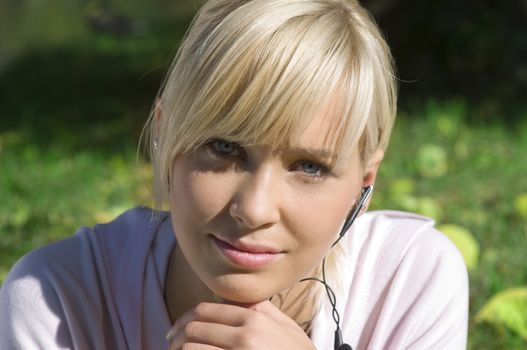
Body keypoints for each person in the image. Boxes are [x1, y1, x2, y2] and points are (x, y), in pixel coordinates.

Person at [0, 0, 469, 349]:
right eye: (224, 148)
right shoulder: (61, 300)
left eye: (309, 166)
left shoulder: (407, 282)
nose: (254, 209)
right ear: (165, 134)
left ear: (365, 182)